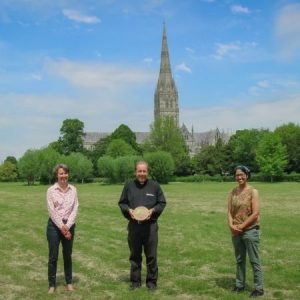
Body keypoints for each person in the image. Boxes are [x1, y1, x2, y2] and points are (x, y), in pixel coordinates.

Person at [118, 161, 166, 291]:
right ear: (135, 172)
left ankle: (151, 283)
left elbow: (162, 203)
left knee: (151, 256)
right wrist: (129, 210)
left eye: (144, 171)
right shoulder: (129, 186)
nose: (142, 174)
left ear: (147, 172)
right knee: (135, 256)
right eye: (139, 171)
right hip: (134, 226)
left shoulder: (154, 186)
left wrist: (153, 211)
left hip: (150, 227)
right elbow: (122, 203)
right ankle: (135, 282)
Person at [227, 165, 264, 298]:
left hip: (250, 230)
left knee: (254, 260)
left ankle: (259, 288)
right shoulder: (233, 192)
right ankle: (239, 285)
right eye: (237, 175)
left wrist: (242, 226)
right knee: (239, 260)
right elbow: (229, 211)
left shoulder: (253, 191)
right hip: (236, 231)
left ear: (247, 175)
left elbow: (255, 213)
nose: (239, 177)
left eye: (242, 174)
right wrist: (231, 225)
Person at [46, 164, 79, 294]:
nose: (63, 176)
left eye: (65, 173)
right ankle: (52, 285)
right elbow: (51, 211)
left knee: (67, 255)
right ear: (57, 175)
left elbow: (75, 208)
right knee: (53, 256)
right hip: (54, 226)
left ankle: (69, 282)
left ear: (68, 174)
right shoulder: (51, 191)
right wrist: (62, 227)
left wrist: (68, 226)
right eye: (61, 173)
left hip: (69, 225)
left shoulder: (74, 190)